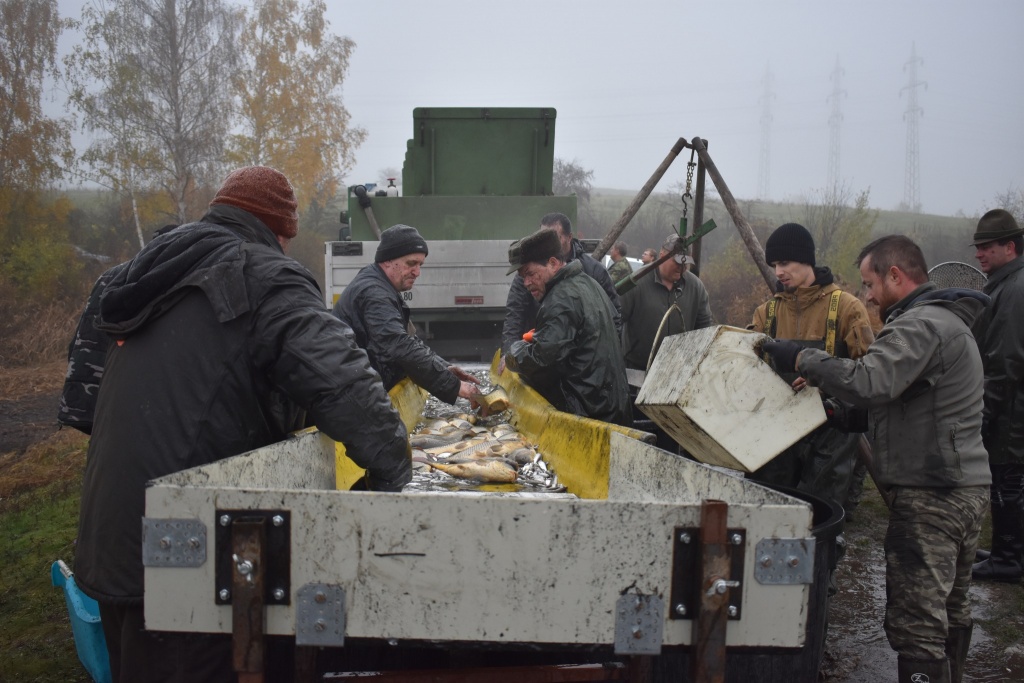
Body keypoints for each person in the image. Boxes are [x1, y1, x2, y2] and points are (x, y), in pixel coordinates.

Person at [74, 167, 412, 682]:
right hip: (188, 546)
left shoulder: (139, 273)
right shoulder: (263, 275)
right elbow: (345, 386)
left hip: (112, 536)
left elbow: (82, 405)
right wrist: (392, 466)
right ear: (279, 231)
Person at [762, 235, 990, 683]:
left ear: (896, 275)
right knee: (951, 608)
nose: (866, 296)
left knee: (917, 625)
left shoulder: (920, 325)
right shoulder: (946, 323)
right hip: (963, 488)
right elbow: (907, 399)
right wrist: (841, 415)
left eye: (869, 284)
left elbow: (870, 380)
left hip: (931, 494)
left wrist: (802, 357)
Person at [747, 223, 876, 514]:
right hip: (778, 431)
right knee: (771, 511)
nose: (778, 272)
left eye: (784, 262)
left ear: (806, 259)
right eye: (774, 265)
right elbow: (749, 370)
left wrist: (822, 379)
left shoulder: (847, 308)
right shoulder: (765, 313)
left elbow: (869, 372)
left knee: (820, 515)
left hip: (830, 433)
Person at [333, 223, 481, 405]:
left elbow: (409, 341)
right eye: (411, 264)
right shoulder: (374, 293)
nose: (417, 272)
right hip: (348, 397)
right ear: (387, 260)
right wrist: (455, 386)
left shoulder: (381, 286)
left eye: (420, 265)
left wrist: (444, 367)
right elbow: (399, 346)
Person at [504, 228, 631, 427]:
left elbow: (540, 362)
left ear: (553, 263)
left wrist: (514, 351)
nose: (526, 283)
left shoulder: (561, 299)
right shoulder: (588, 283)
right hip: (613, 410)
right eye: (522, 277)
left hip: (588, 415)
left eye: (530, 274)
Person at [58, 226, 177, 434]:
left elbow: (78, 338)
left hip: (88, 395)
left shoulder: (111, 275)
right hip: (125, 399)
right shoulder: (163, 277)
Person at [969, 209, 1024, 583]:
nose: (979, 254)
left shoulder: (1015, 289)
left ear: (1010, 247)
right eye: (978, 247)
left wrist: (984, 415)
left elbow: (1006, 361)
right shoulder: (1005, 283)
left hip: (1012, 409)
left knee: (1007, 481)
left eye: (987, 247)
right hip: (1010, 403)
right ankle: (1009, 550)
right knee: (1008, 478)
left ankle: (1008, 558)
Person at [501, 212, 622, 356]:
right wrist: (509, 352)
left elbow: (614, 318)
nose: (547, 243)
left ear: (569, 237)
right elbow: (515, 313)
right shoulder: (529, 273)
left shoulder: (593, 271)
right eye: (543, 237)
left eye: (554, 237)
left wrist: (600, 355)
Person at [620, 233, 713, 371]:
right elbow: (615, 319)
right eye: (677, 262)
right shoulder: (637, 282)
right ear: (662, 256)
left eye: (685, 263)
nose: (681, 267)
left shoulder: (695, 287)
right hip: (637, 368)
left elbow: (705, 328)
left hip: (678, 370)